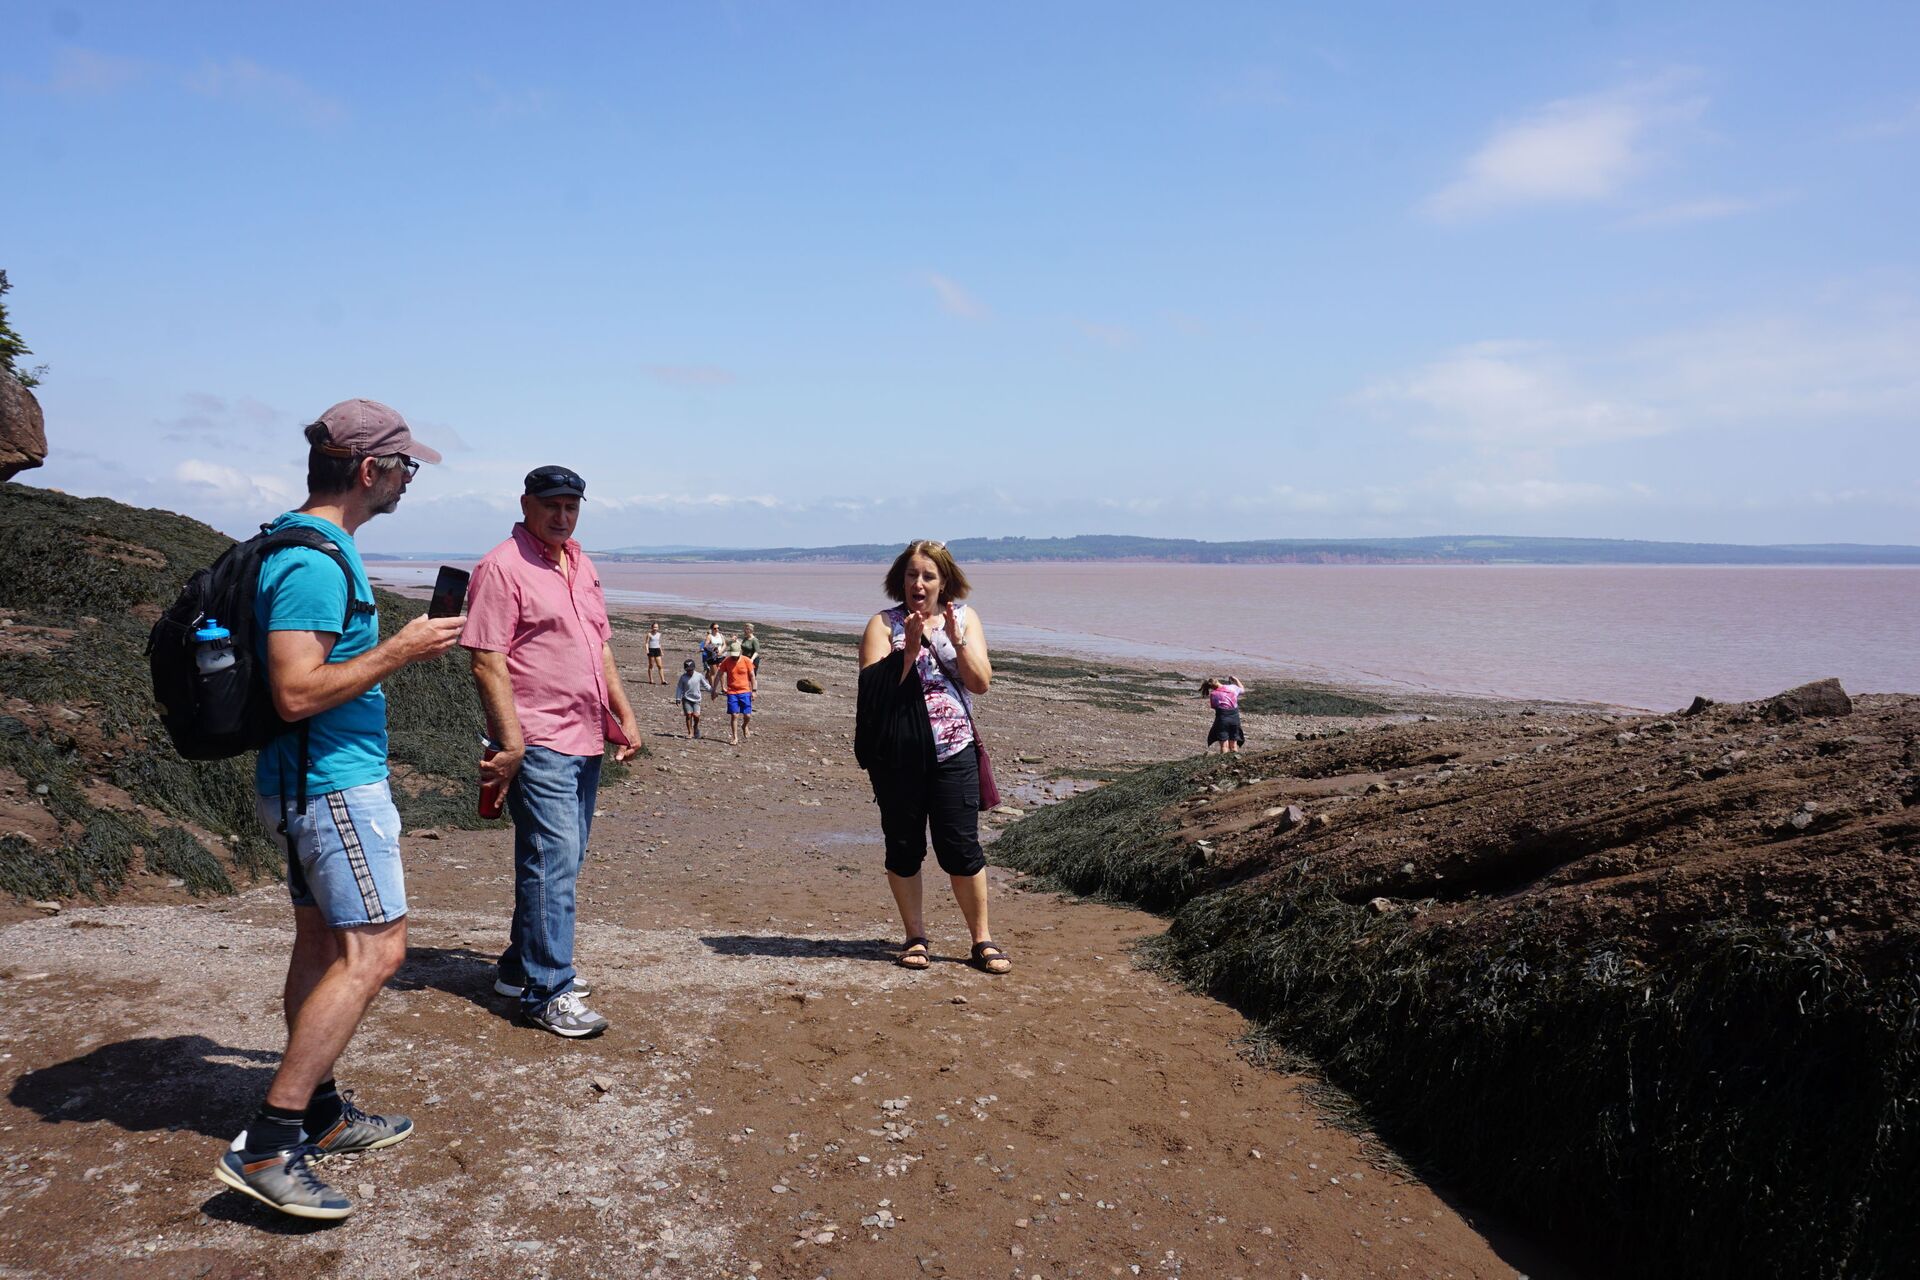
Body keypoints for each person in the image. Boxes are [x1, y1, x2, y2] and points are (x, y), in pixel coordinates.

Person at [217, 399, 466, 1222]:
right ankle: (269, 1141)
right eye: (404, 467)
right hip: (330, 785)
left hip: (305, 783)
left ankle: (318, 1112)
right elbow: (294, 691)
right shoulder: (318, 562)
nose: (407, 481)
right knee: (377, 953)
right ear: (369, 471)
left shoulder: (312, 547)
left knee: (322, 942)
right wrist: (399, 648)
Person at [461, 465, 642, 1039]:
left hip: (585, 734)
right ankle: (548, 991)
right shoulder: (501, 567)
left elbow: (601, 646)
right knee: (554, 859)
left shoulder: (580, 562)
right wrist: (509, 743)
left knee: (561, 856)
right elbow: (486, 659)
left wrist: (625, 714)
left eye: (571, 506)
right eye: (552, 506)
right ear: (526, 504)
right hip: (536, 739)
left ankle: (519, 968)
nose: (562, 516)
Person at [855, 540, 1009, 975]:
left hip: (953, 751)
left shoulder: (966, 618)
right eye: (910, 575)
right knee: (903, 847)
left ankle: (982, 940)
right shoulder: (882, 625)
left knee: (961, 848)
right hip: (897, 756)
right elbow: (874, 693)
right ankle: (915, 937)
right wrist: (909, 647)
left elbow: (980, 683)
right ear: (899, 579)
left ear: (944, 582)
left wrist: (956, 641)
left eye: (927, 576)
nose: (917, 584)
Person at [713, 637, 757, 745]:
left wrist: (754, 690)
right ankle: (735, 737)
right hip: (732, 692)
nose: (734, 657)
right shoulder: (726, 661)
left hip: (745, 691)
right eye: (733, 655)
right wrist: (714, 690)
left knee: (747, 715)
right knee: (734, 715)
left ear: (740, 652)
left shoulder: (746, 661)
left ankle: (745, 725)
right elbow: (719, 675)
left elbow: (752, 676)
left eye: (736, 655)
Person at [1203, 675, 1246, 754]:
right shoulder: (1232, 688)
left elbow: (1214, 706)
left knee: (1224, 746)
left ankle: (1224, 762)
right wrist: (1236, 680)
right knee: (1233, 745)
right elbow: (1242, 690)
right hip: (1234, 718)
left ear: (1211, 687)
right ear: (1218, 681)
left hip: (1222, 718)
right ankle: (1235, 762)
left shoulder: (1213, 694)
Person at [675, 657, 710, 738]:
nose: (689, 672)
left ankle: (695, 726)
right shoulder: (683, 677)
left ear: (694, 668)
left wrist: (713, 691)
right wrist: (678, 698)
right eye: (688, 670)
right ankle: (690, 732)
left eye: (691, 670)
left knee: (696, 715)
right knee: (688, 714)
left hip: (696, 699)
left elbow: (705, 685)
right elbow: (679, 688)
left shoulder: (699, 676)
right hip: (686, 698)